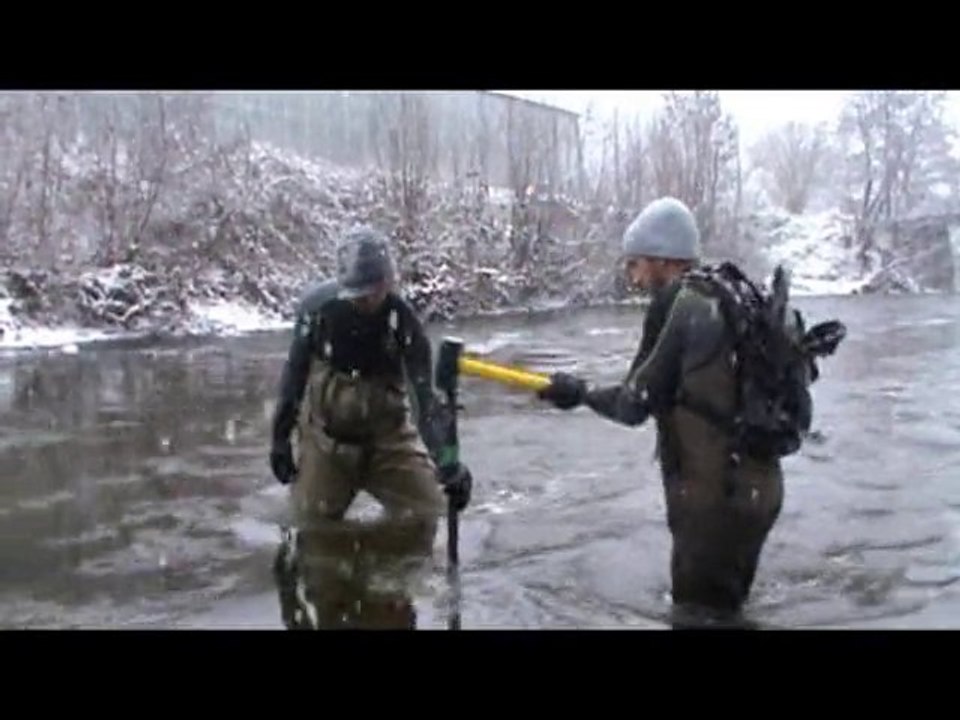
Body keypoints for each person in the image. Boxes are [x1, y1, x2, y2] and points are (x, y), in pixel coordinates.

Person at [536, 197, 845, 627]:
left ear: (663, 259)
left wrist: (579, 393)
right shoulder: (746, 297)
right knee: (728, 613)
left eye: (636, 264)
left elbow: (634, 403)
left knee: (695, 617)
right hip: (761, 492)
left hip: (710, 500)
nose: (634, 278)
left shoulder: (686, 305)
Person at [268, 226, 472, 543]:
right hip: (327, 442)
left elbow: (424, 403)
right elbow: (294, 376)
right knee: (310, 530)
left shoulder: (403, 323)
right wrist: (280, 438)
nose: (368, 300)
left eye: (376, 291)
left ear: (388, 283)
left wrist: (448, 464)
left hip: (388, 442)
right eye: (359, 294)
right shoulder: (318, 312)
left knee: (432, 511)